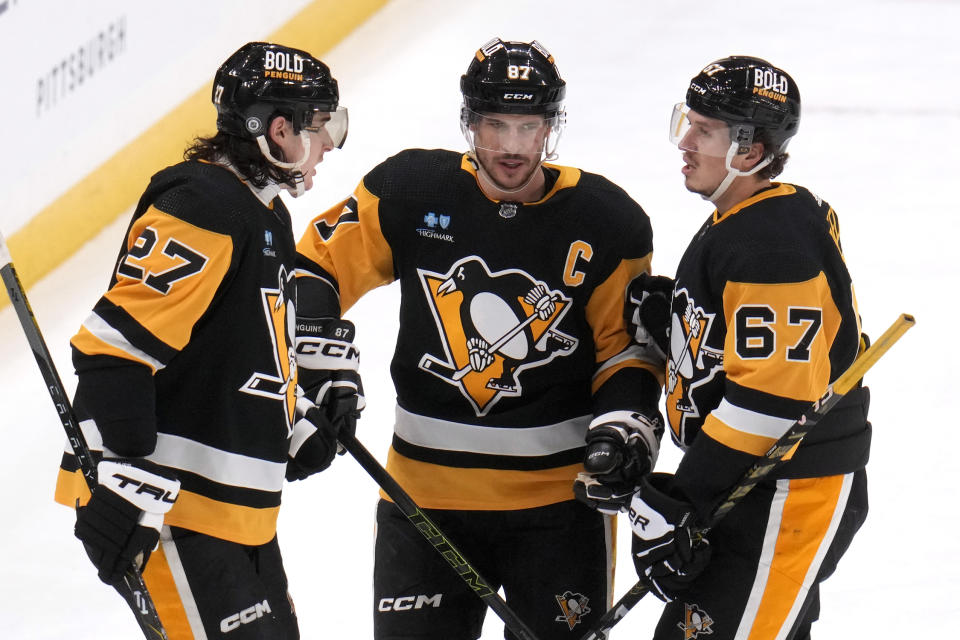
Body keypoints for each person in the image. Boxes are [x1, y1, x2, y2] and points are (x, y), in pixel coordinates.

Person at [295, 38, 664, 639]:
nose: (512, 147)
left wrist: (625, 423)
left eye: (528, 126)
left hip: (559, 509)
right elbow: (313, 268)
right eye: (495, 125)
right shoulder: (409, 193)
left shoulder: (607, 221)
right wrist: (320, 360)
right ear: (469, 122)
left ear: (550, 127)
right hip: (422, 502)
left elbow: (625, 347)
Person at [54, 41, 351, 639]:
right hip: (172, 511)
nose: (328, 145)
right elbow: (112, 353)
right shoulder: (203, 205)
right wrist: (126, 481)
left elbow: (244, 351)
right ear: (276, 129)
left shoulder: (262, 213)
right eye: (319, 128)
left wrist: (290, 422)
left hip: (237, 517)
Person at [622, 56, 872, 640]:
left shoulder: (772, 244)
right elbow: (746, 354)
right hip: (752, 483)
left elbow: (772, 400)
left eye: (704, 131)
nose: (685, 142)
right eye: (688, 121)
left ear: (750, 151)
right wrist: (678, 325)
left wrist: (685, 496)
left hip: (788, 493)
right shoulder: (743, 219)